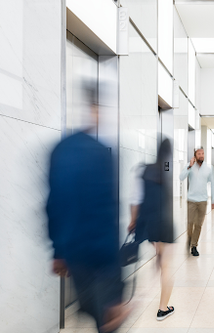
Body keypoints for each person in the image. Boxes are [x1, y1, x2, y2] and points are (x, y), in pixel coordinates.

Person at [46, 87, 129, 333]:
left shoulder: (60, 149)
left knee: (93, 313)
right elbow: (108, 215)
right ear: (96, 111)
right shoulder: (101, 153)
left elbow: (53, 204)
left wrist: (58, 251)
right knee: (107, 321)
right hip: (100, 255)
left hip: (73, 253)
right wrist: (117, 285)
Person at [128, 138, 175, 321]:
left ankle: (158, 256)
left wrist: (133, 221)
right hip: (164, 223)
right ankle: (163, 308)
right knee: (166, 266)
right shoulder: (167, 170)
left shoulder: (143, 169)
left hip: (148, 223)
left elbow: (135, 199)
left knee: (160, 256)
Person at [179, 147, 214, 256]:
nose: (201, 155)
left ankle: (194, 246)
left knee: (198, 225)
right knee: (190, 223)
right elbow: (181, 177)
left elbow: (212, 184)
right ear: (195, 155)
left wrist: (213, 199)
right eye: (199, 154)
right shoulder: (189, 166)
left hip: (203, 201)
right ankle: (189, 238)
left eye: (202, 153)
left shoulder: (208, 169)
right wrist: (189, 166)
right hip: (192, 200)